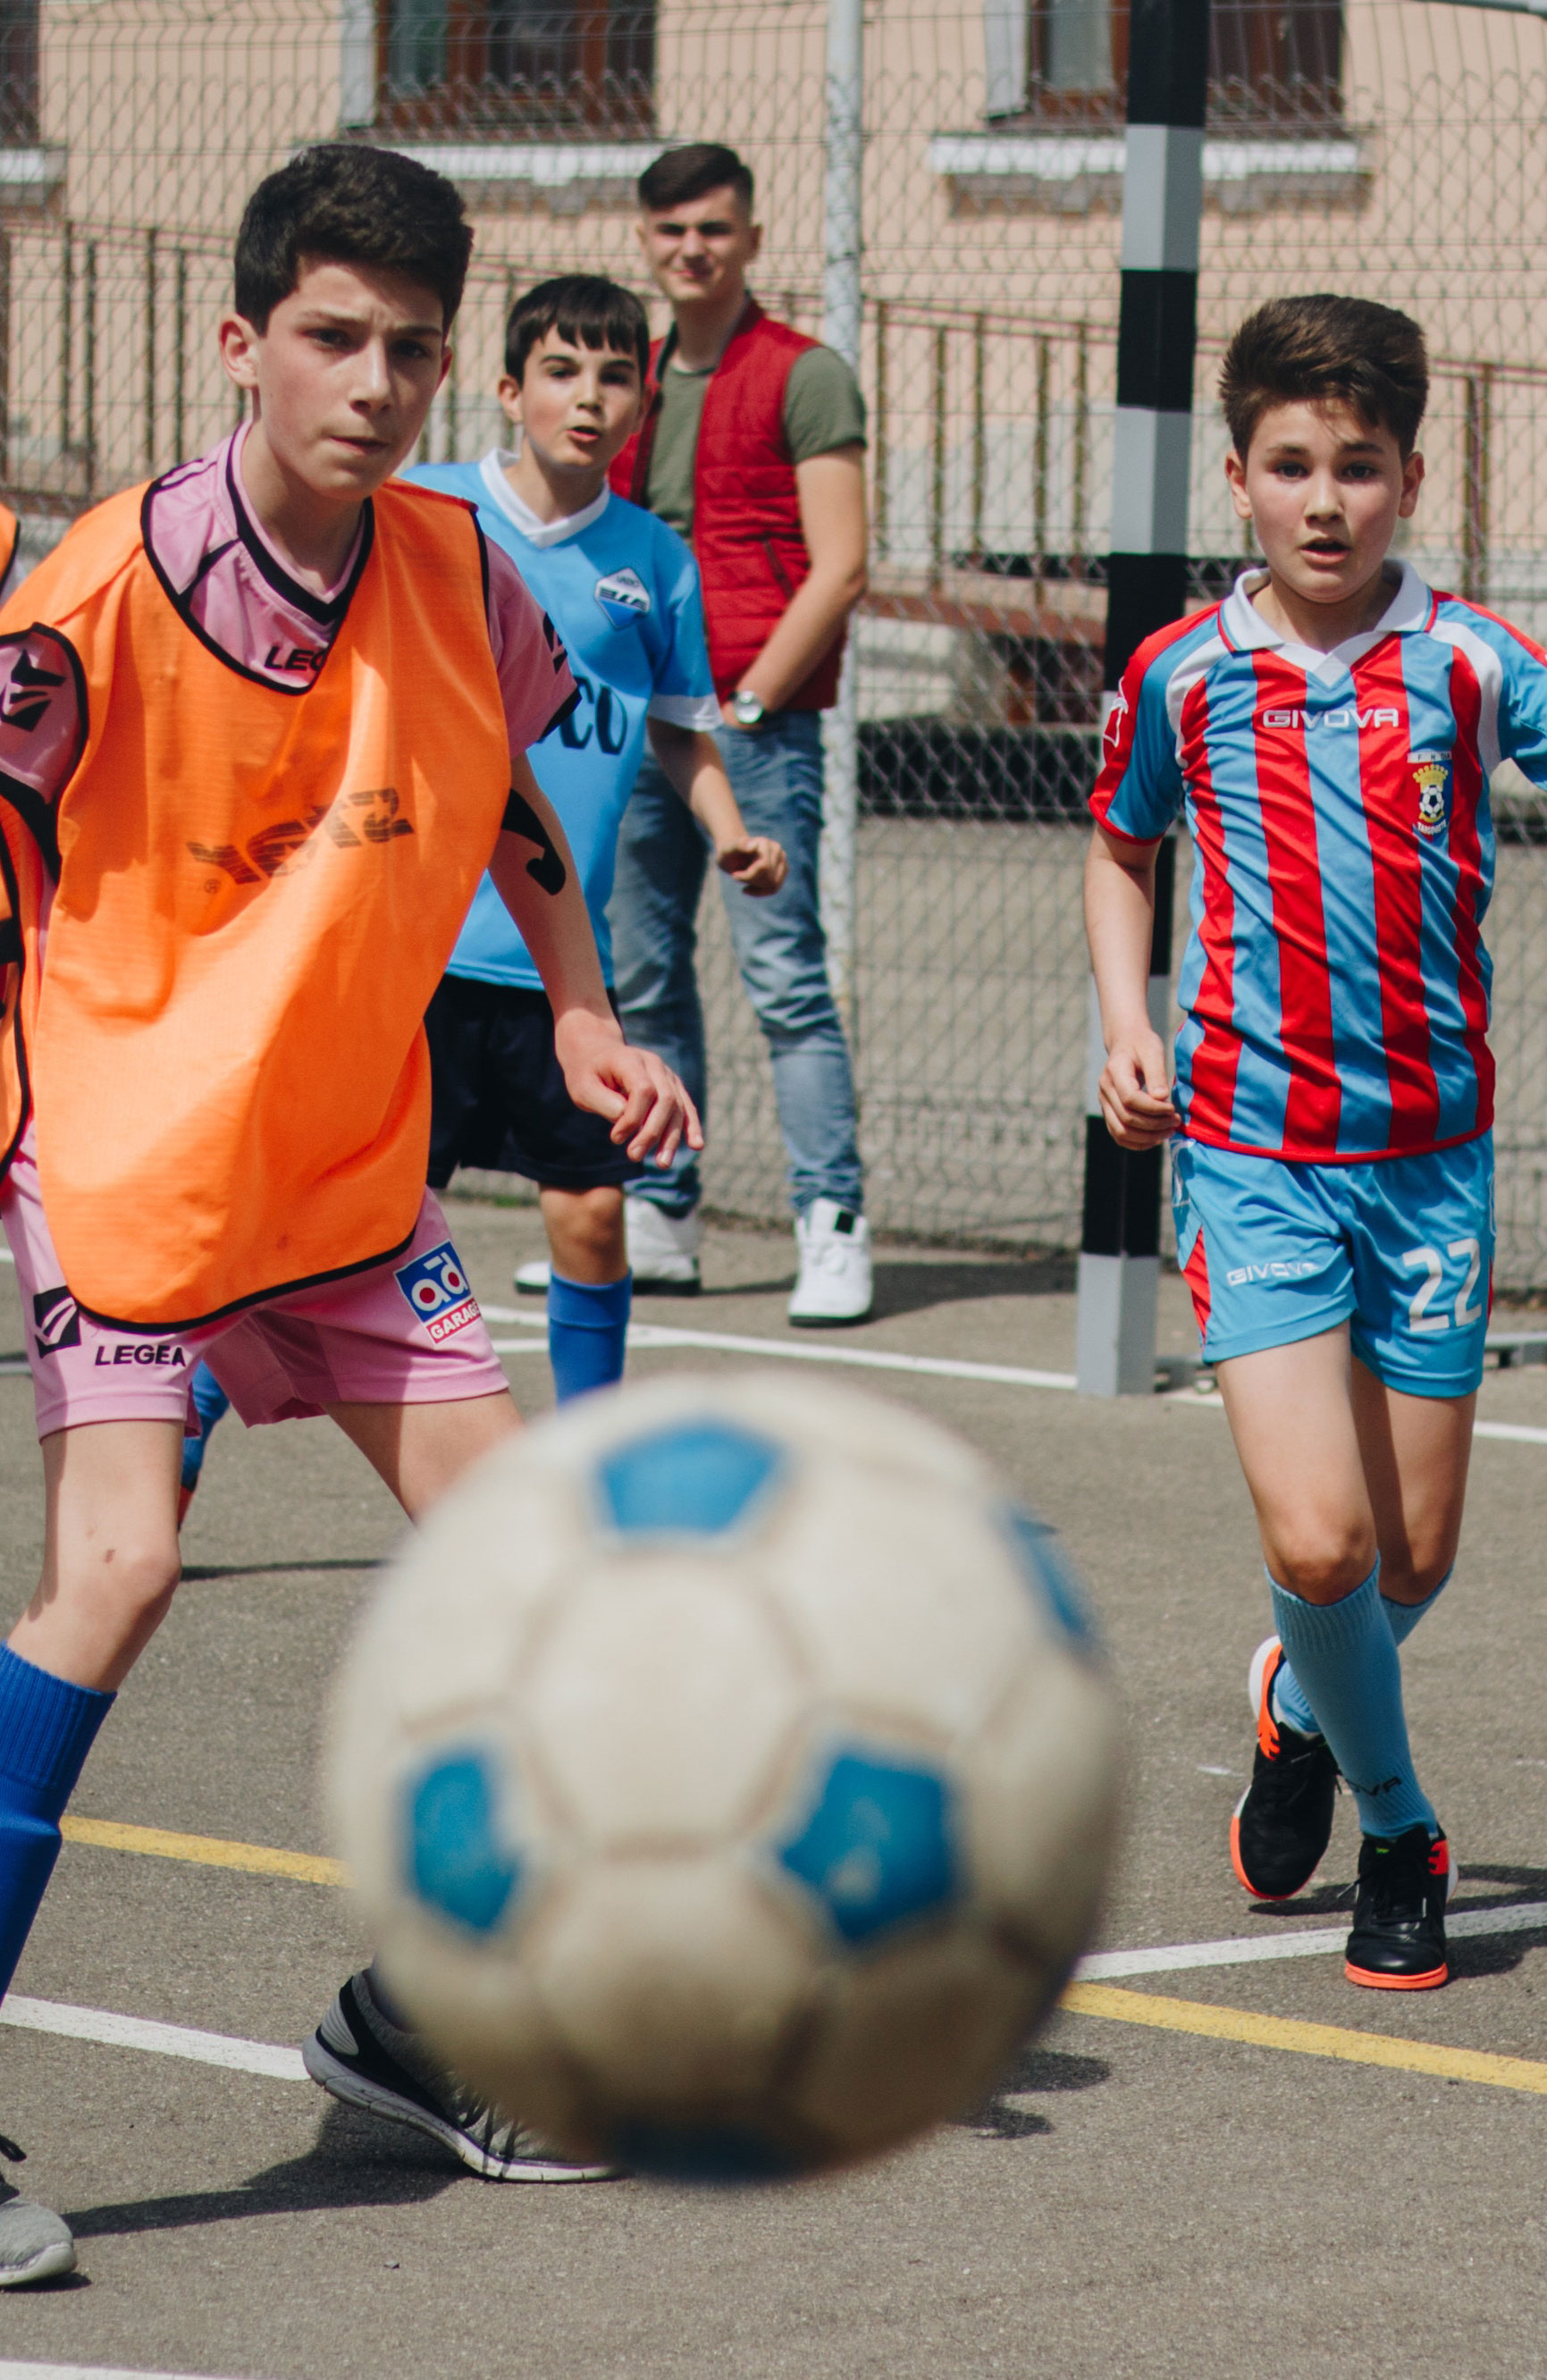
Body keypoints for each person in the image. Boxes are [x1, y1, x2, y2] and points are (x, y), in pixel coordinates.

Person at [0, 144, 700, 2283]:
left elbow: (500, 792)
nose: (375, 382)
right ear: (242, 343)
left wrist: (580, 1008)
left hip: (337, 1170)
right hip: (127, 1164)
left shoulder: (458, 565)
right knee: (116, 1575)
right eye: (331, 338)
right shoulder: (86, 599)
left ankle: (414, 2019)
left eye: (408, 345)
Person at [1086, 292, 1547, 1992]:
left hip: (1430, 1162)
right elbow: (1121, 846)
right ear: (1239, 480)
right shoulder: (1184, 673)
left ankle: (1297, 1695)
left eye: (1360, 464)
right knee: (1321, 1542)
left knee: (1412, 1553)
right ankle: (1404, 1829)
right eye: (1294, 465)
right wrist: (1127, 1022)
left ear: (1413, 477)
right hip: (1252, 1156)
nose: (1327, 497)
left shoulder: (1476, 664)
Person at [408, 273, 785, 1402]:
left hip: (557, 964)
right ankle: (177, 1442)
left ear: (642, 404)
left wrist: (729, 833)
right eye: (563, 371)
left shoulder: (656, 562)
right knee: (340, 1230)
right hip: (415, 949)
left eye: (617, 375)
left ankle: (592, 1463)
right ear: (509, 387)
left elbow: (683, 732)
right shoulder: (423, 514)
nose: (590, 397)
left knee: (591, 1212)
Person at [606, 141, 872, 1322]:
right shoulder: (631, 376)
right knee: (639, 975)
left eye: (712, 228)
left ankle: (831, 1222)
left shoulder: (803, 375)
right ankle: (659, 1209)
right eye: (669, 231)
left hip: (754, 728)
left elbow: (841, 561)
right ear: (644, 241)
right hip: (638, 726)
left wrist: (750, 697)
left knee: (784, 979)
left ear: (750, 238)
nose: (690, 250)